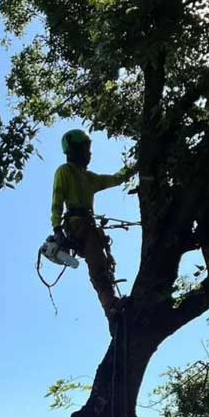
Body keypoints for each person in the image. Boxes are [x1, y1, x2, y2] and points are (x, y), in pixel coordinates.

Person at [51, 129, 133, 318]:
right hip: (76, 225)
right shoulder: (64, 171)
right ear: (73, 150)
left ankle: (112, 302)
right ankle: (110, 306)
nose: (89, 154)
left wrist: (136, 166)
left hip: (87, 224)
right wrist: (57, 229)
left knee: (103, 263)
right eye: (85, 149)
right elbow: (57, 201)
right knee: (97, 264)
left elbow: (115, 179)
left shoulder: (89, 178)